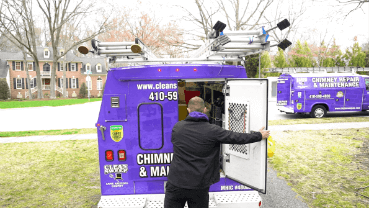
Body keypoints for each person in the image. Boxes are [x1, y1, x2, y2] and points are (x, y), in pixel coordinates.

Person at [164, 96, 270, 208]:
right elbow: (236, 137)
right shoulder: (213, 130)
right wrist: (258, 135)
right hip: (199, 185)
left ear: (188, 110)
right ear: (205, 110)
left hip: (175, 183)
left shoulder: (177, 127)